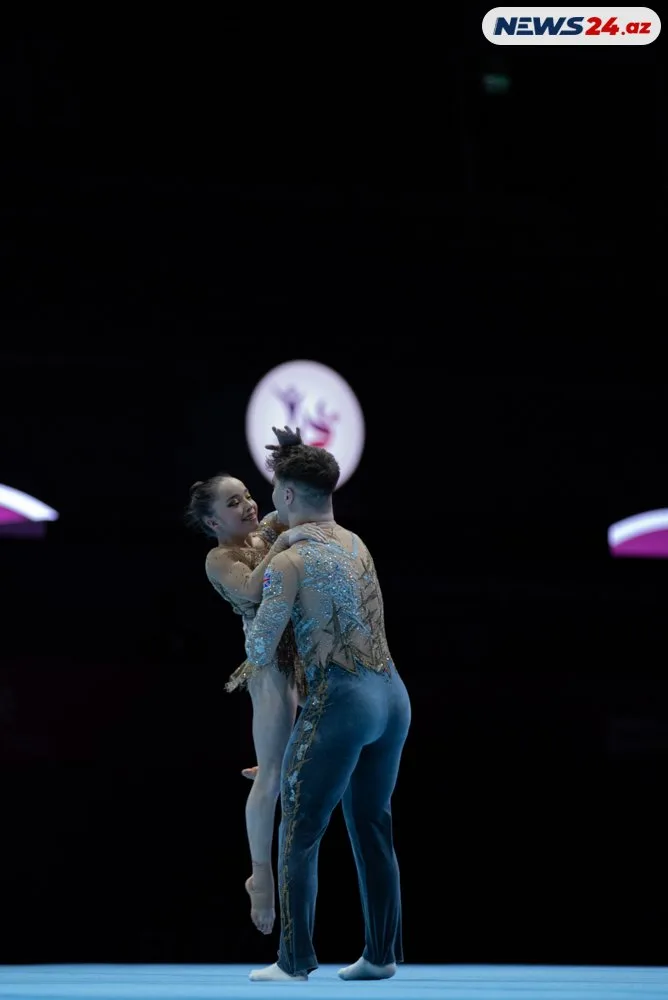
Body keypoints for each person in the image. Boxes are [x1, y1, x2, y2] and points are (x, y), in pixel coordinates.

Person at [242, 440, 411, 983]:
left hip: (341, 702)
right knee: (371, 824)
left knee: (300, 827)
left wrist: (253, 592)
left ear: (288, 494)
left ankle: (293, 961)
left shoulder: (289, 560)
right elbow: (291, 513)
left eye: (275, 492)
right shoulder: (358, 545)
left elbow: (260, 650)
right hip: (392, 698)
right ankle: (382, 956)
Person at [185, 473, 327, 937]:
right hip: (269, 668)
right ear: (212, 521)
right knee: (270, 781)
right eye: (233, 502)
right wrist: (283, 539)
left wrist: (292, 458)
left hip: (305, 660)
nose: (247, 505)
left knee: (293, 763)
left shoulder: (267, 529)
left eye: (247, 495)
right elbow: (251, 589)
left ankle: (270, 755)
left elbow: (299, 499)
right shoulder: (218, 558)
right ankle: (260, 877)